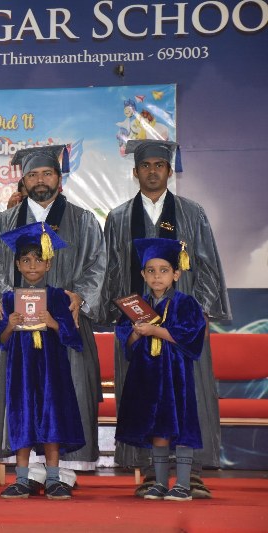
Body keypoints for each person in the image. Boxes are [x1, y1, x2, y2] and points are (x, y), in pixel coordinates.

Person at [101, 140, 230, 498]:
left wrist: (200, 311)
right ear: (135, 171)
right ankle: (149, 471)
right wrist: (121, 314)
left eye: (160, 165)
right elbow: (111, 271)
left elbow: (206, 264)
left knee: (193, 393)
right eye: (146, 165)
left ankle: (194, 473)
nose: (153, 171)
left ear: (170, 171)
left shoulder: (191, 212)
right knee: (141, 394)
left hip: (182, 325)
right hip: (137, 324)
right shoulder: (119, 217)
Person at [0, 145, 106, 493]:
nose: (40, 180)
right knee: (23, 393)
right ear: (23, 181)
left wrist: (80, 295)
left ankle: (62, 471)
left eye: (47, 173)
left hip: (63, 324)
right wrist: (8, 300)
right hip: (19, 330)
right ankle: (28, 471)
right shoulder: (4, 222)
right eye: (32, 174)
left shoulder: (83, 220)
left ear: (58, 179)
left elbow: (97, 265)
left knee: (65, 391)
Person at [0, 223, 85, 500]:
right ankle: (22, 479)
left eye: (38, 260)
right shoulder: (9, 299)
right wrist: (10, 325)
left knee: (52, 418)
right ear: (17, 265)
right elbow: (2, 339)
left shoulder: (59, 297)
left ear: (48, 264)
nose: (32, 265)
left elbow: (73, 338)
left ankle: (54, 479)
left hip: (52, 370)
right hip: (21, 370)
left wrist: (54, 323)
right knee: (22, 418)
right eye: (25, 260)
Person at [115, 238, 206, 501]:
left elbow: (191, 336)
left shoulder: (186, 303)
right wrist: (136, 333)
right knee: (158, 428)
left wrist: (154, 331)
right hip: (147, 376)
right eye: (151, 271)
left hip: (176, 376)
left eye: (164, 270)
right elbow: (126, 341)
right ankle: (161, 482)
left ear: (176, 274)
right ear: (143, 274)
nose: (157, 276)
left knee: (183, 426)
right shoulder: (136, 306)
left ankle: (183, 484)